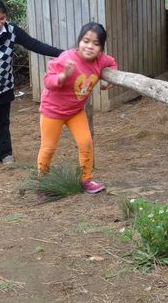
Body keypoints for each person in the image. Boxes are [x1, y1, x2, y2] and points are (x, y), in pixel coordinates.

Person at [0, 0, 63, 173]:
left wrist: (62, 54)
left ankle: (4, 153)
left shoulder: (11, 31)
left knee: (4, 122)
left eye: (2, 18)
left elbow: (34, 44)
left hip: (4, 84)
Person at [37, 22, 117, 194]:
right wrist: (64, 75)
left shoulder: (100, 59)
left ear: (101, 48)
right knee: (48, 148)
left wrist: (109, 79)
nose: (89, 46)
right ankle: (41, 184)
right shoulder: (66, 59)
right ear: (79, 41)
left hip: (75, 112)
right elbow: (48, 82)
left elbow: (112, 63)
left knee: (86, 142)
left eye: (96, 44)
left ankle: (86, 180)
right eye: (86, 41)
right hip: (53, 111)